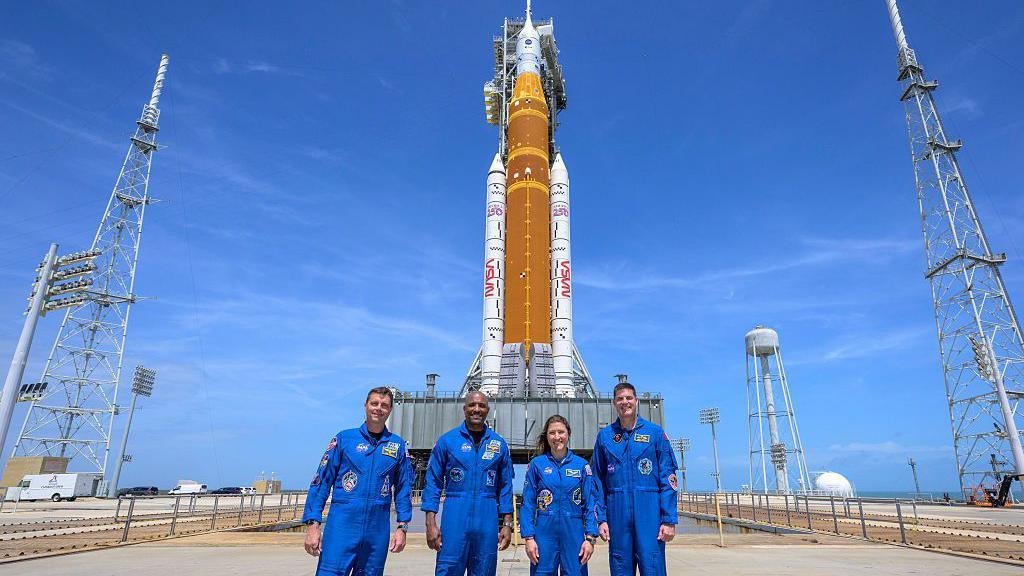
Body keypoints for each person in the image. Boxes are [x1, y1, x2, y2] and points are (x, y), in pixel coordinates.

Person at [302, 386, 414, 576]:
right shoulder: (344, 439)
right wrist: (313, 525)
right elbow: (321, 482)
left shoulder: (397, 446)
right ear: (365, 406)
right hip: (342, 526)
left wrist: (402, 527)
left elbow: (404, 489)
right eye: (374, 403)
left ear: (390, 410)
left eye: (384, 405)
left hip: (376, 531)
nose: (378, 408)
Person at [422, 390, 514, 576]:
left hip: (486, 520)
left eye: (481, 406)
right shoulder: (447, 441)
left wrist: (507, 524)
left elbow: (505, 487)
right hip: (455, 518)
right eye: (472, 405)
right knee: (447, 569)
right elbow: (433, 483)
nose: (476, 409)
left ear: (488, 410)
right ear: (464, 409)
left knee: (484, 570)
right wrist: (430, 524)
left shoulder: (499, 445)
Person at [591, 381, 678, 576]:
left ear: (636, 401)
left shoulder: (654, 433)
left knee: (652, 565)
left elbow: (668, 477)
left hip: (649, 514)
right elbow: (597, 482)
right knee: (620, 566)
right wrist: (601, 519)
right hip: (617, 515)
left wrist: (669, 519)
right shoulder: (605, 437)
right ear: (614, 403)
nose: (625, 402)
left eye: (629, 398)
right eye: (620, 399)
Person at [521, 415, 608, 576]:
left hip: (573, 531)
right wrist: (529, 538)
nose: (556, 437)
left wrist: (590, 539)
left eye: (561, 432)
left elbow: (590, 504)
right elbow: (528, 504)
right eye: (552, 433)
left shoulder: (581, 466)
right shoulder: (536, 465)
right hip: (544, 532)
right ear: (546, 436)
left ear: (568, 434)